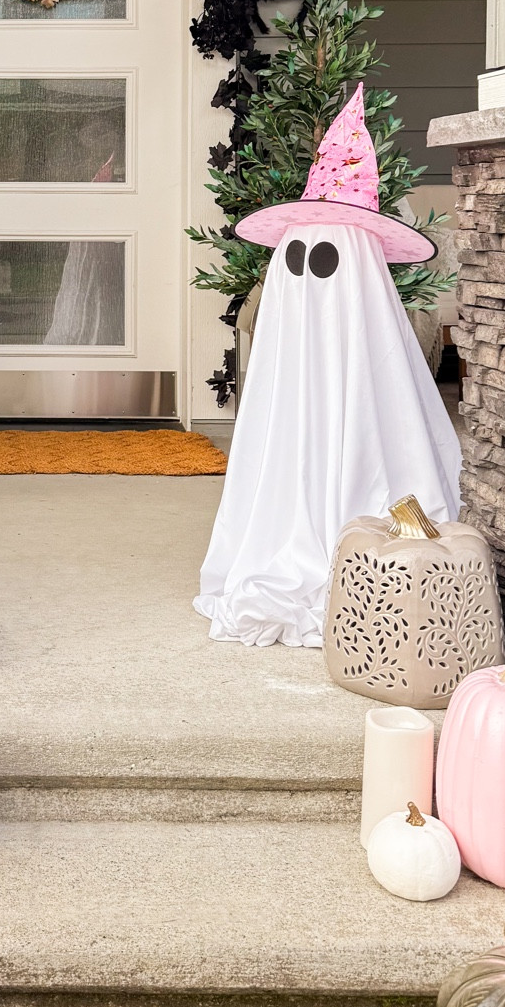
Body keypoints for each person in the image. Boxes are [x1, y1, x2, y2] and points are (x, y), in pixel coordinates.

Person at [195, 85, 460, 648]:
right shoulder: (286, 343)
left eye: (325, 260)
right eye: (296, 258)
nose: (308, 277)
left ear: (363, 271)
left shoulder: (376, 353)